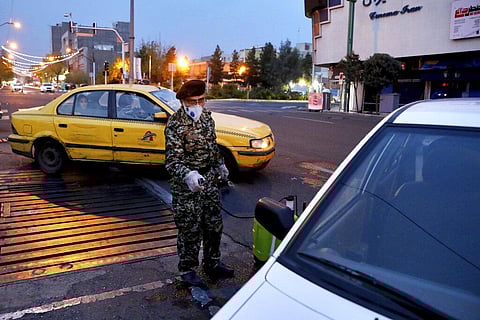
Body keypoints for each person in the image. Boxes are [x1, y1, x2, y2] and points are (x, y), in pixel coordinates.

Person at [165, 80, 233, 287]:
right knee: (190, 230)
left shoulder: (207, 119)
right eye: (193, 101)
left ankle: (212, 263)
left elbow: (212, 147)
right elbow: (172, 161)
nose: (198, 105)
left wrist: (220, 165)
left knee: (213, 225)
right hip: (187, 187)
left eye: (201, 100)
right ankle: (187, 270)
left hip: (209, 181)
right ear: (183, 102)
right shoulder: (175, 125)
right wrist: (188, 175)